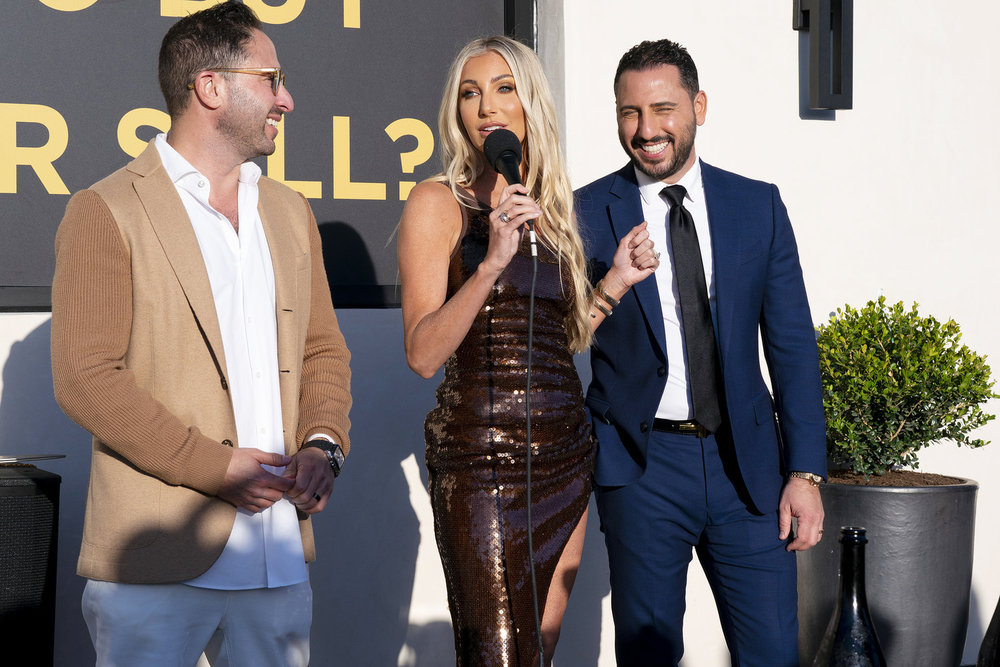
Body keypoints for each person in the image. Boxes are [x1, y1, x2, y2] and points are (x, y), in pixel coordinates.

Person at [50, 3, 352, 665]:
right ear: (211, 87)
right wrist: (217, 469)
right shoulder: (107, 209)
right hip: (154, 559)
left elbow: (322, 349)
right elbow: (86, 376)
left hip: (277, 559)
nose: (288, 99)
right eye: (271, 80)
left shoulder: (288, 210)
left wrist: (323, 445)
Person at [398, 36, 657, 666]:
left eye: (503, 88)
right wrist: (489, 264)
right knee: (497, 654)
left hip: (565, 454)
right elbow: (422, 354)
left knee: (539, 648)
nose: (486, 106)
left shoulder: (551, 209)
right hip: (482, 463)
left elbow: (561, 340)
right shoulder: (439, 204)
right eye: (470, 92)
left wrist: (614, 285)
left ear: (528, 104)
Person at [574, 38, 827, 666]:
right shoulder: (583, 211)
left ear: (699, 107)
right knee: (650, 653)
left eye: (663, 109)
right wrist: (608, 285)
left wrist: (806, 473)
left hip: (749, 468)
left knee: (771, 651)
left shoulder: (756, 205)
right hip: (643, 466)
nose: (646, 129)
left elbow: (792, 344)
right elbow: (563, 338)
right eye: (629, 112)